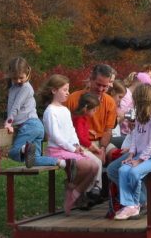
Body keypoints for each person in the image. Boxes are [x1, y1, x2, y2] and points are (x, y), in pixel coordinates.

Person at [39, 74, 98, 215]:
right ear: (54, 91)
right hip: (56, 151)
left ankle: (74, 191)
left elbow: (71, 130)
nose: (68, 93)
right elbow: (55, 136)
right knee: (86, 166)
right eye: (65, 90)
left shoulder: (65, 110)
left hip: (70, 149)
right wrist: (72, 148)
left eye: (68, 90)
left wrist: (77, 146)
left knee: (94, 167)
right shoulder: (50, 111)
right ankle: (70, 187)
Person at [65, 64, 116, 198]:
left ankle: (111, 194)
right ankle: (86, 192)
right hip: (79, 142)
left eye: (105, 86)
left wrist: (103, 149)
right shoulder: (74, 98)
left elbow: (108, 130)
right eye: (98, 84)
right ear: (91, 80)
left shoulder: (109, 102)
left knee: (116, 155)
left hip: (100, 141)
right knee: (87, 160)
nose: (101, 89)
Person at [3, 57, 64, 169]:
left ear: (28, 72)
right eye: (15, 78)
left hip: (29, 126)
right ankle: (63, 163)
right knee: (34, 160)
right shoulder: (14, 87)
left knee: (13, 152)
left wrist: (9, 122)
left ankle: (25, 148)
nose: (18, 81)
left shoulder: (26, 88)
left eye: (21, 77)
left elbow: (16, 107)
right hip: (36, 127)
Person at [114, 84, 151, 220]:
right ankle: (129, 205)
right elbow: (135, 138)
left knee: (135, 172)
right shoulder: (140, 118)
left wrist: (139, 160)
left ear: (141, 101)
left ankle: (135, 204)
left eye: (134, 99)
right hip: (139, 156)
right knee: (123, 170)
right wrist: (131, 155)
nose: (132, 102)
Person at [71, 92, 104, 208]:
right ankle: (95, 187)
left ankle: (92, 189)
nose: (95, 113)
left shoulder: (82, 118)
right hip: (80, 148)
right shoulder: (80, 119)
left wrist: (88, 131)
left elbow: (80, 130)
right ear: (86, 108)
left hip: (82, 147)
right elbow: (80, 137)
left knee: (97, 161)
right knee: (97, 162)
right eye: (94, 110)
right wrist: (91, 146)